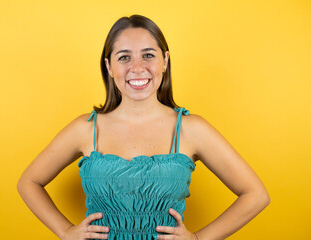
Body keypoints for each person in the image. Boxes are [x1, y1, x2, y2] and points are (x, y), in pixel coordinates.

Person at [17, 14, 270, 240]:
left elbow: (256, 195)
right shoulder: (86, 129)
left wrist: (197, 239)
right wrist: (65, 232)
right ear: (109, 67)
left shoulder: (191, 129)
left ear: (165, 61)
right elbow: (29, 181)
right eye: (124, 57)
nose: (137, 68)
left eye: (148, 55)